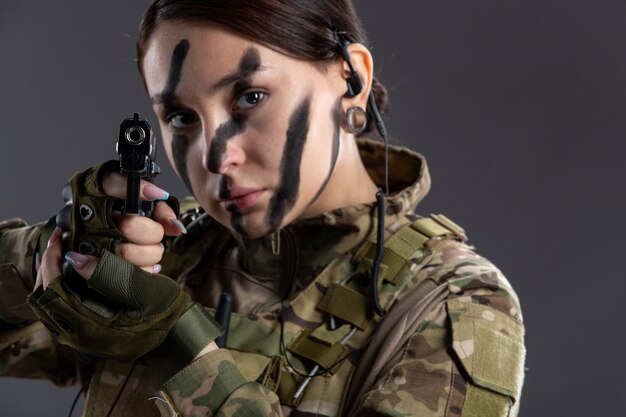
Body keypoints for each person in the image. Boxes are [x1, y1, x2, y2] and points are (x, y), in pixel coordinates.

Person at [0, 1, 525, 416]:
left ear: (352, 80)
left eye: (249, 97)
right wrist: (60, 251)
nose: (217, 155)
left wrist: (178, 344)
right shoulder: (165, 251)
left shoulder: (451, 307)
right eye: (181, 116)